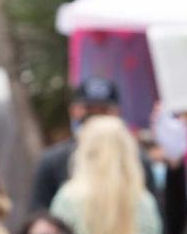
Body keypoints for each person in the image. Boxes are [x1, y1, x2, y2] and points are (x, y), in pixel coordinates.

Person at [29, 73, 137, 215]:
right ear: (74, 111)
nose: (96, 119)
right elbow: (39, 215)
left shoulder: (135, 159)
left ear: (117, 113)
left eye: (103, 111)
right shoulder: (53, 161)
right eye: (89, 110)